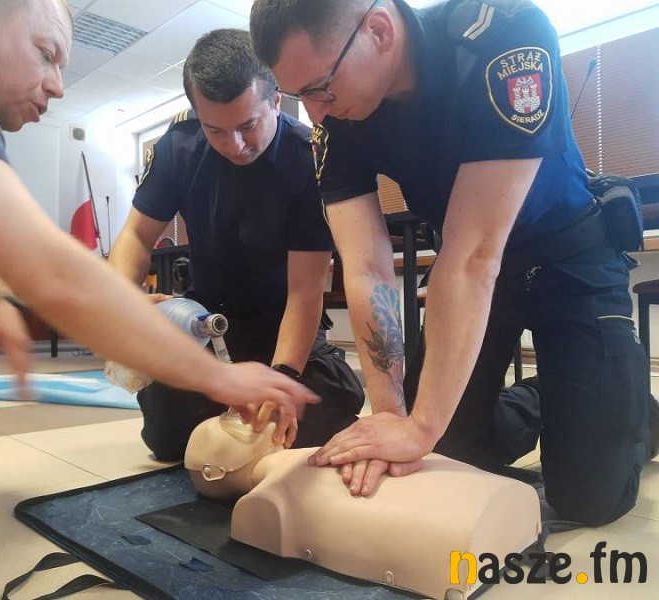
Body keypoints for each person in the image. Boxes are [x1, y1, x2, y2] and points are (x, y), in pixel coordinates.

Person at [0, 0, 319, 537]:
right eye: (46, 53)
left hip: (273, 314)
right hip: (214, 318)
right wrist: (218, 377)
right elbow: (52, 271)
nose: (57, 85)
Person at [250, 0, 657, 525]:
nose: (314, 114)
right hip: (480, 274)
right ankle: (554, 398)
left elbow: (472, 256)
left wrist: (420, 427)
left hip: (570, 258)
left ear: (378, 31)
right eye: (298, 96)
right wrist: (392, 418)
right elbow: (367, 268)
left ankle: (627, 406)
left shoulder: (503, 39)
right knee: (443, 456)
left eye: (319, 88)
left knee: (591, 498)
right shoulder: (339, 118)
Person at [109, 28, 364, 462]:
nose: (236, 145)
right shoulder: (179, 146)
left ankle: (313, 378)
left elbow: (305, 292)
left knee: (315, 415)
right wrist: (124, 306)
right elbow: (135, 236)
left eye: (248, 126)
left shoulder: (307, 159)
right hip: (209, 320)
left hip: (283, 318)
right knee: (167, 438)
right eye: (216, 130)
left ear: (276, 101)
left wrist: (281, 378)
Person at [184, 412, 541, 600]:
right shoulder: (261, 502)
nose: (242, 419)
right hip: (474, 529)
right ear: (214, 472)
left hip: (477, 523)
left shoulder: (331, 448)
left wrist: (401, 426)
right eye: (227, 425)